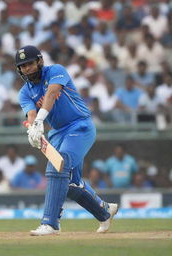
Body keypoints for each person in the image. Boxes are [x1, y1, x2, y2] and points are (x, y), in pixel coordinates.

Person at [15, 45, 118, 236]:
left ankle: (51, 223)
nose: (27, 68)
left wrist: (39, 120)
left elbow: (52, 93)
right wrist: (32, 129)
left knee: (57, 167)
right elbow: (30, 113)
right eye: (23, 66)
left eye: (30, 63)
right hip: (58, 133)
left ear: (39, 61)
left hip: (80, 126)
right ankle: (104, 211)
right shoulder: (24, 92)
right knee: (69, 184)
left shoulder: (56, 71)